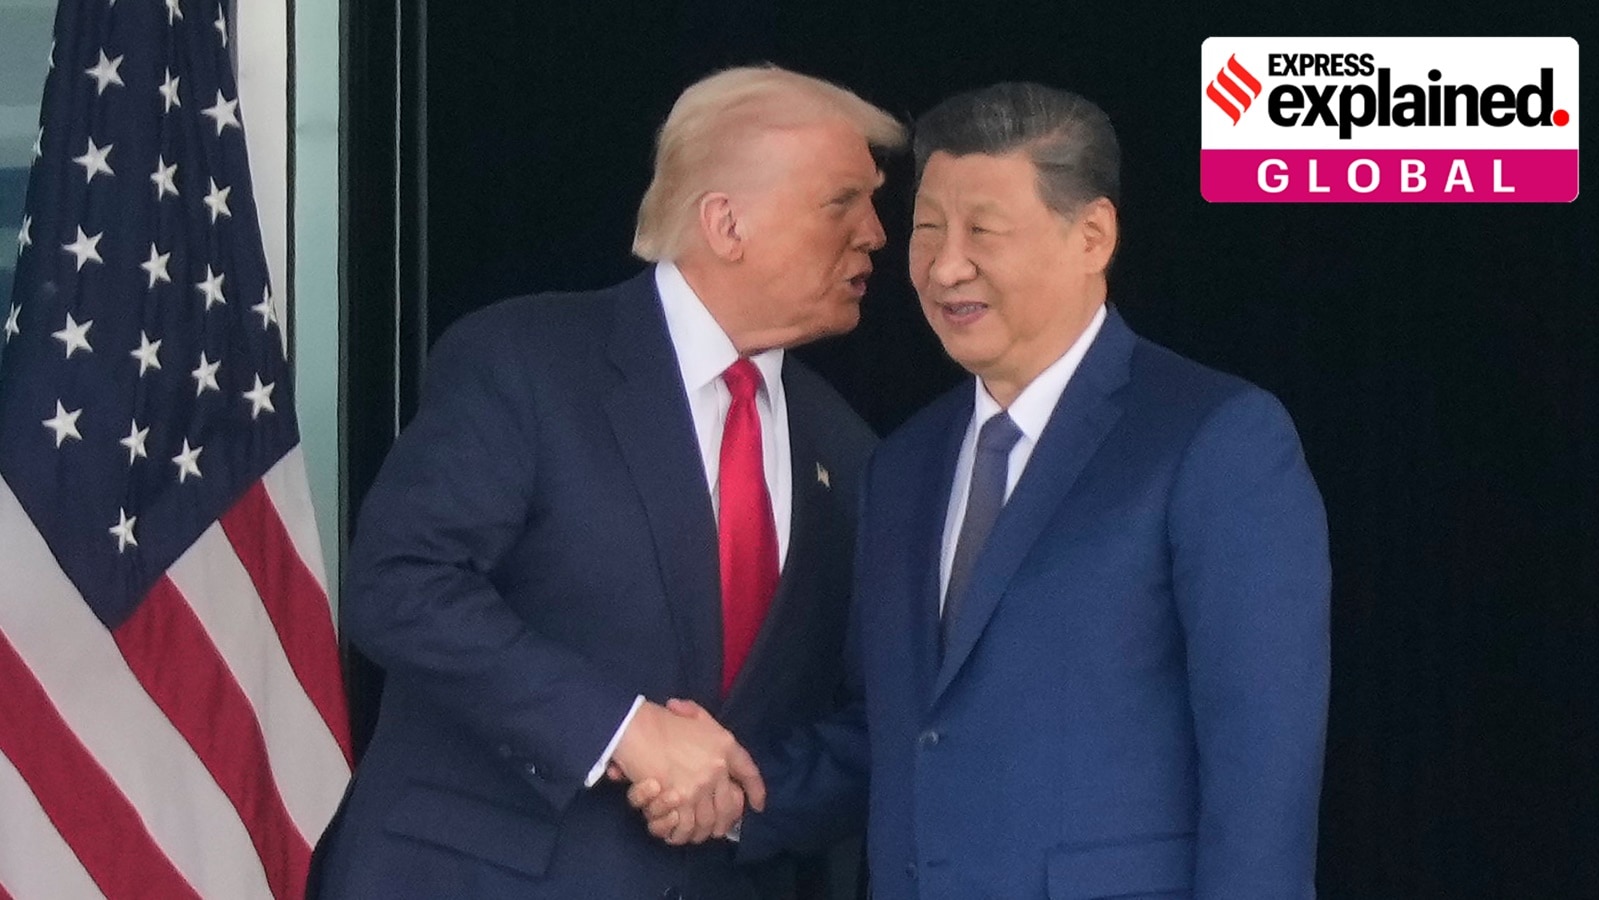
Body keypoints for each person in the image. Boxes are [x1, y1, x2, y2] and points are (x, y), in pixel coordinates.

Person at [636, 81, 1331, 900]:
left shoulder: (1212, 439)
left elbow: (1261, 773)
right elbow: (894, 733)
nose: (945, 265)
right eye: (928, 229)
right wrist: (732, 798)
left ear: (1093, 236)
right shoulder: (900, 466)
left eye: (984, 231)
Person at [309, 65, 904, 899]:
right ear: (726, 223)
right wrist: (622, 730)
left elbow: (878, 715)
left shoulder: (852, 450)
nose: (876, 233)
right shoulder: (527, 361)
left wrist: (736, 804)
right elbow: (398, 584)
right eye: (842, 202)